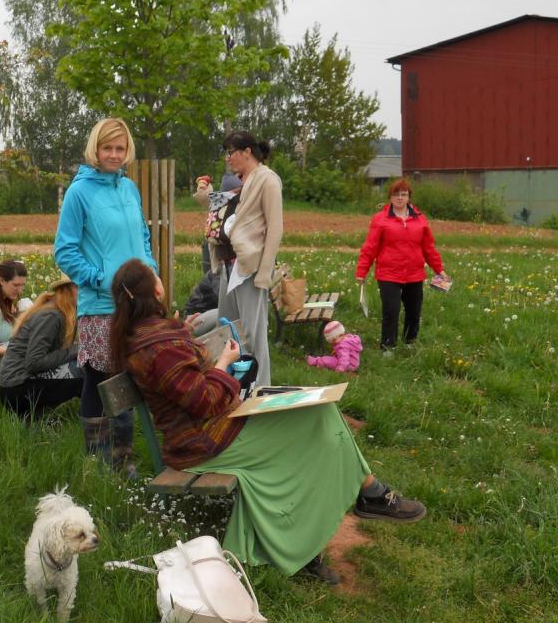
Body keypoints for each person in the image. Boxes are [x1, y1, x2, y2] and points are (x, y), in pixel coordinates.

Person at [109, 258, 426, 583]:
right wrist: (224, 362)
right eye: (156, 277)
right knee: (316, 425)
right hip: (205, 442)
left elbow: (179, 379)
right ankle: (354, 507)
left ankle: (365, 496)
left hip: (217, 427)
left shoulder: (151, 335)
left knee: (320, 413)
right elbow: (202, 400)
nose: (162, 280)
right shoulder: (160, 345)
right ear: (154, 291)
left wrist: (187, 338)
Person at [54, 117, 157, 472]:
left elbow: (142, 238)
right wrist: (101, 280)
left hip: (136, 303)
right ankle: (97, 460)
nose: (114, 155)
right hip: (100, 305)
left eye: (120, 148)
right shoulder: (79, 193)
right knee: (101, 377)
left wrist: (151, 273)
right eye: (107, 148)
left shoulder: (128, 189)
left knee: (127, 375)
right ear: (95, 149)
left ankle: (122, 458)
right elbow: (64, 251)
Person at [212, 130, 283, 387]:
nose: (228, 158)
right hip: (229, 265)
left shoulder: (268, 180)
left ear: (247, 152)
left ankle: (261, 388)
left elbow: (275, 229)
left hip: (250, 269)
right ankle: (235, 386)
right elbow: (218, 210)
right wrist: (205, 193)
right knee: (228, 328)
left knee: (253, 334)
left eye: (230, 152)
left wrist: (264, 274)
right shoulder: (242, 181)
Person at [355, 178, 448, 351]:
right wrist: (362, 271)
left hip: (414, 274)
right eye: (396, 194)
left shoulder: (420, 220)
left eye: (403, 194)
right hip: (388, 273)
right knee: (391, 311)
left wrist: (439, 269)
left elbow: (429, 248)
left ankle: (410, 343)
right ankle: (388, 347)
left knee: (413, 311)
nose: (400, 198)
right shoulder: (380, 219)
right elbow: (370, 247)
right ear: (390, 197)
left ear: (409, 197)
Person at [0, 277, 84, 420]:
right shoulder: (52, 315)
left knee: (86, 364)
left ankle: (37, 415)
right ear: (67, 289)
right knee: (84, 368)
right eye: (81, 287)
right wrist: (74, 351)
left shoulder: (62, 310)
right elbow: (34, 363)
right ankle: (97, 419)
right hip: (16, 389)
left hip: (18, 385)